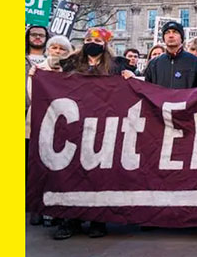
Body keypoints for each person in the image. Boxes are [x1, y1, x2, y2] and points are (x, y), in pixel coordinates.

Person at [53, 27, 126, 239]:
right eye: (88, 39)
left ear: (105, 44)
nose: (92, 43)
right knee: (72, 174)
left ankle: (98, 220)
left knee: (100, 176)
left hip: (104, 127)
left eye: (97, 40)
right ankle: (70, 220)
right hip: (75, 126)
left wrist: (129, 77)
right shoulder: (70, 64)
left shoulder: (116, 66)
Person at [26, 34, 71, 226]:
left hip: (64, 127)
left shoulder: (71, 72)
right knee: (39, 168)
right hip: (39, 125)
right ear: (48, 49)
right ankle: (37, 207)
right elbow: (31, 96)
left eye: (62, 49)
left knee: (59, 170)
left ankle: (53, 210)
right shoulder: (37, 71)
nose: (58, 52)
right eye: (55, 48)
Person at [144, 21, 197, 89]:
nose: (171, 35)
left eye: (175, 32)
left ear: (181, 38)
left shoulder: (196, 62)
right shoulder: (153, 64)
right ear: (163, 38)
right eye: (167, 32)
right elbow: (147, 90)